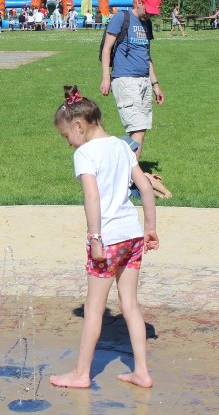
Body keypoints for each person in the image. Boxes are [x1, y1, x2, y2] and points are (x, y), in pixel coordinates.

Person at [49, 85, 159, 390]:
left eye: (66, 136)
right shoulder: (124, 146)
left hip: (108, 239)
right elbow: (146, 187)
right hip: (133, 236)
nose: (68, 143)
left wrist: (95, 237)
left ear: (79, 125)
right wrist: (150, 227)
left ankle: (81, 373)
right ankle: (142, 372)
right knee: (130, 306)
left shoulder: (85, 153)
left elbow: (92, 197)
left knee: (94, 308)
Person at [100, 0, 165, 161]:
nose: (149, 14)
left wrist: (155, 84)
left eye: (153, 12)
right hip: (125, 79)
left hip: (144, 80)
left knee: (140, 129)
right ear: (140, 3)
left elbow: (147, 55)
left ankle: (127, 171)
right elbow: (107, 49)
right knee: (138, 128)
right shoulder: (121, 18)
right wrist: (106, 78)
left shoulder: (147, 24)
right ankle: (130, 174)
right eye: (148, 10)